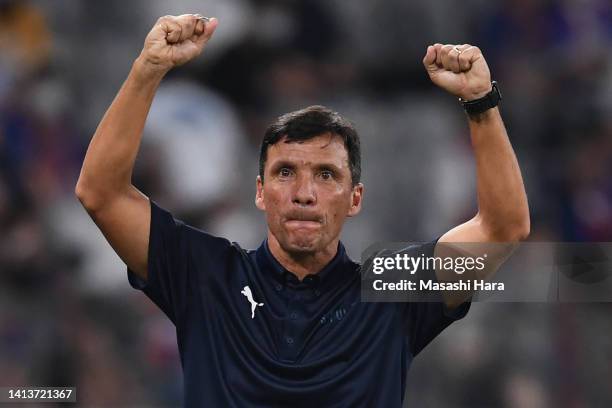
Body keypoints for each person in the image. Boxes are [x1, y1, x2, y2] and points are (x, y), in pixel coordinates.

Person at [75, 14, 530, 407]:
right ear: (260, 192)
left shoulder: (393, 289)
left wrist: (482, 104)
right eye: (286, 172)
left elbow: (503, 227)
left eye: (327, 175)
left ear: (356, 198)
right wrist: (147, 70)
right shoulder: (205, 274)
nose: (305, 193)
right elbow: (101, 193)